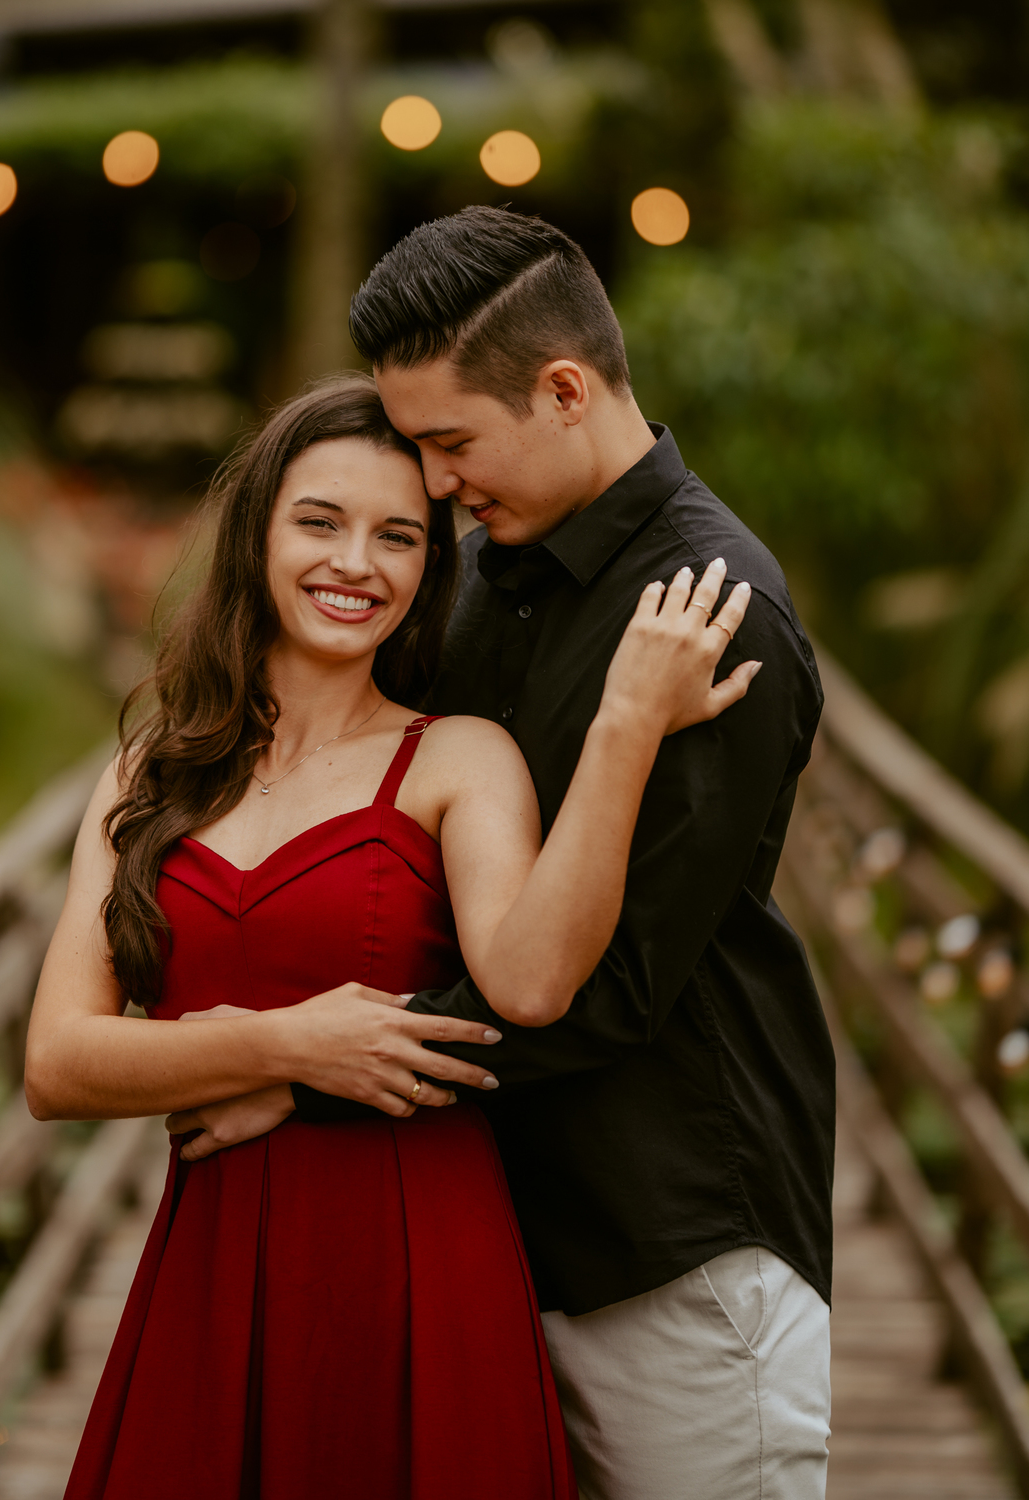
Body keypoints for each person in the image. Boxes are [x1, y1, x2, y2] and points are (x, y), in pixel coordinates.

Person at [25, 374, 755, 1500]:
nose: (355, 564)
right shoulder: (150, 773)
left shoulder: (460, 757)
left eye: (399, 536)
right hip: (212, 1277)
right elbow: (59, 1064)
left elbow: (534, 982)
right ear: (256, 533)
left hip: (420, 1259)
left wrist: (626, 726)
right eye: (320, 522)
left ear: (429, 572)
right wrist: (288, 1046)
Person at [278, 208, 836, 1500]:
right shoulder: (483, 571)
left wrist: (312, 1076)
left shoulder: (713, 610)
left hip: (675, 1257)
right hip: (498, 1235)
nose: (430, 482)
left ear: (565, 390)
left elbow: (617, 988)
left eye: (449, 443)